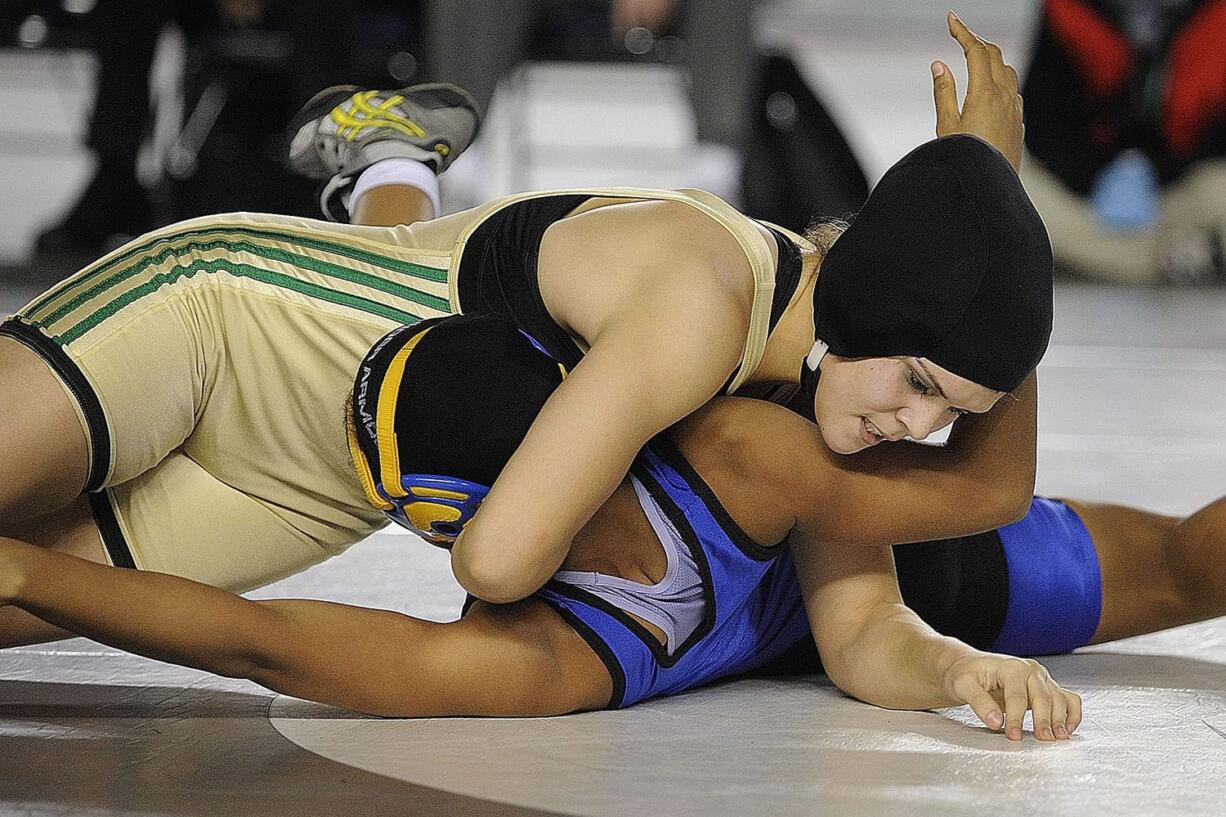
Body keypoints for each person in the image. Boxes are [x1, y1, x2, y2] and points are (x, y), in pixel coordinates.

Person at [0, 15, 1042, 649]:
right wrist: (988, 197)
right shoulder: (702, 310)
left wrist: (994, 214)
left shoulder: (792, 365)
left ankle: (391, 164)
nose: (915, 423)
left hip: (310, 485)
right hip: (218, 321)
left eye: (951, 410)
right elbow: (496, 562)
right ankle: (391, 168)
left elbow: (968, 508)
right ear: (872, 298)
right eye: (916, 380)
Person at [4, 315, 1223, 741]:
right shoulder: (542, 654)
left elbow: (967, 486)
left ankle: (392, 178)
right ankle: (391, 173)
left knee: (1184, 563)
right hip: (926, 597)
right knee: (1172, 567)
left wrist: (992, 262)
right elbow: (256, 640)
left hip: (923, 559)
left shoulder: (732, 445)